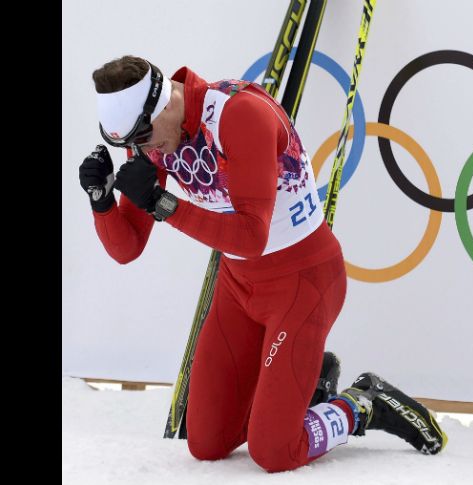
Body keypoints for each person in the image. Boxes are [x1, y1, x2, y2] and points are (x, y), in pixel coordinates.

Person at [78, 55, 447, 472]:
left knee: (274, 451)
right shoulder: (150, 137)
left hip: (302, 283)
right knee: (206, 443)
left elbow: (252, 237)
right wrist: (102, 202)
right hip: (239, 288)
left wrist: (164, 205)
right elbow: (127, 248)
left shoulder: (239, 115)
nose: (143, 151)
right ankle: (309, 388)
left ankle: (363, 403)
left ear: (164, 102)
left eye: (144, 137)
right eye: (129, 143)